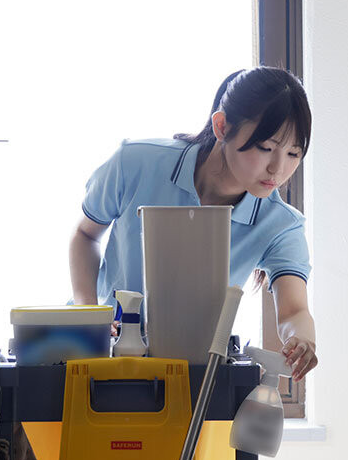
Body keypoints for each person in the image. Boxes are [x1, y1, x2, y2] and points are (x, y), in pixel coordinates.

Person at [68, 66, 318, 381]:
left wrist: (302, 340)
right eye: (265, 148)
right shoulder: (136, 162)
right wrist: (90, 314)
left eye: (294, 153)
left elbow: (294, 310)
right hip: (101, 357)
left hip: (191, 372)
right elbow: (85, 234)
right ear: (222, 126)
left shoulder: (281, 224)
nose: (278, 169)